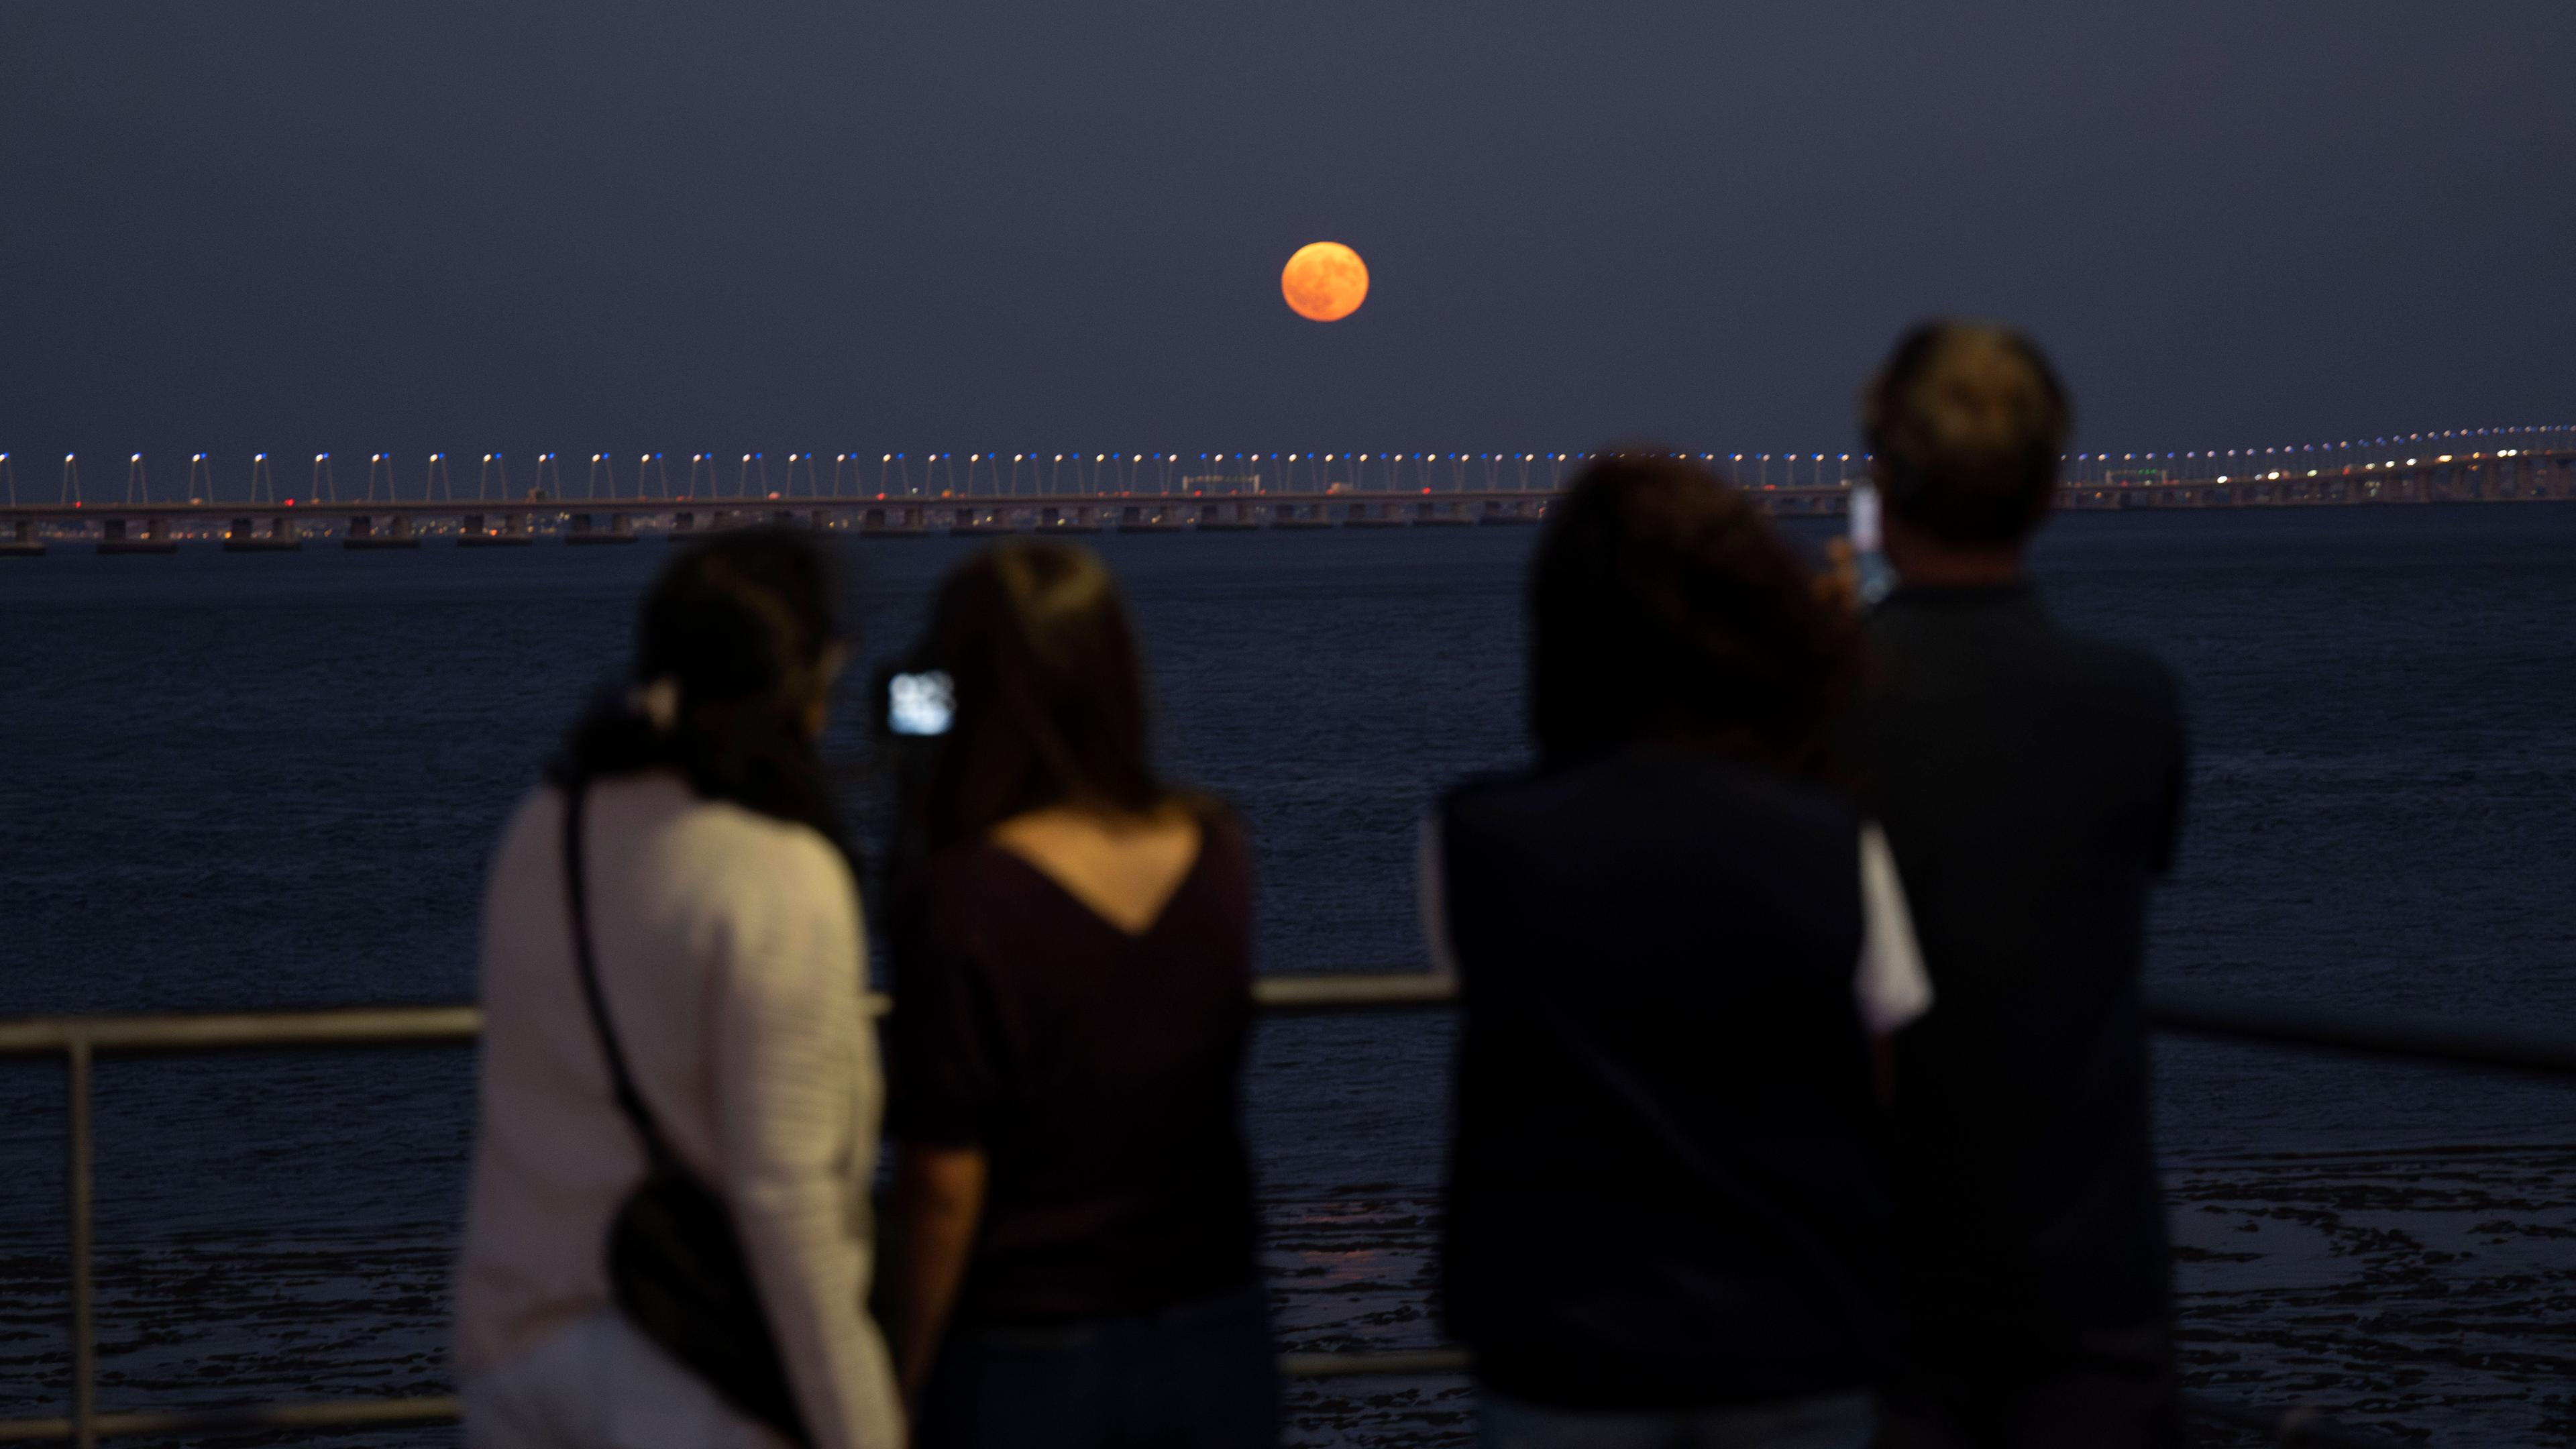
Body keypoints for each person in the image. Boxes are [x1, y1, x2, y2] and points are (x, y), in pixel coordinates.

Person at [1424, 454, 1933, 1449]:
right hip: (1792, 1332)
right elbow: (1884, 1075)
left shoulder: (1476, 839)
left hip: (1565, 1345)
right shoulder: (1832, 835)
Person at [457, 529, 901, 1449]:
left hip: (515, 1357)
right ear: (810, 684)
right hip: (685, 1379)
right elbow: (789, 1208)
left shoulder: (546, 827)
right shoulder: (780, 877)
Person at [1843, 322, 2189, 1448]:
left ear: (1884, 483)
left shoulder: (1810, 710)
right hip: (2089, 1271)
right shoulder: (2135, 705)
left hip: (1876, 1277)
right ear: (2048, 489)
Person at [883, 541, 1278, 1449]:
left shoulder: (965, 895)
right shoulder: (1217, 853)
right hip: (1214, 1315)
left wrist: (900, 1379)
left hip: (1030, 1339)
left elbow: (943, 1179)